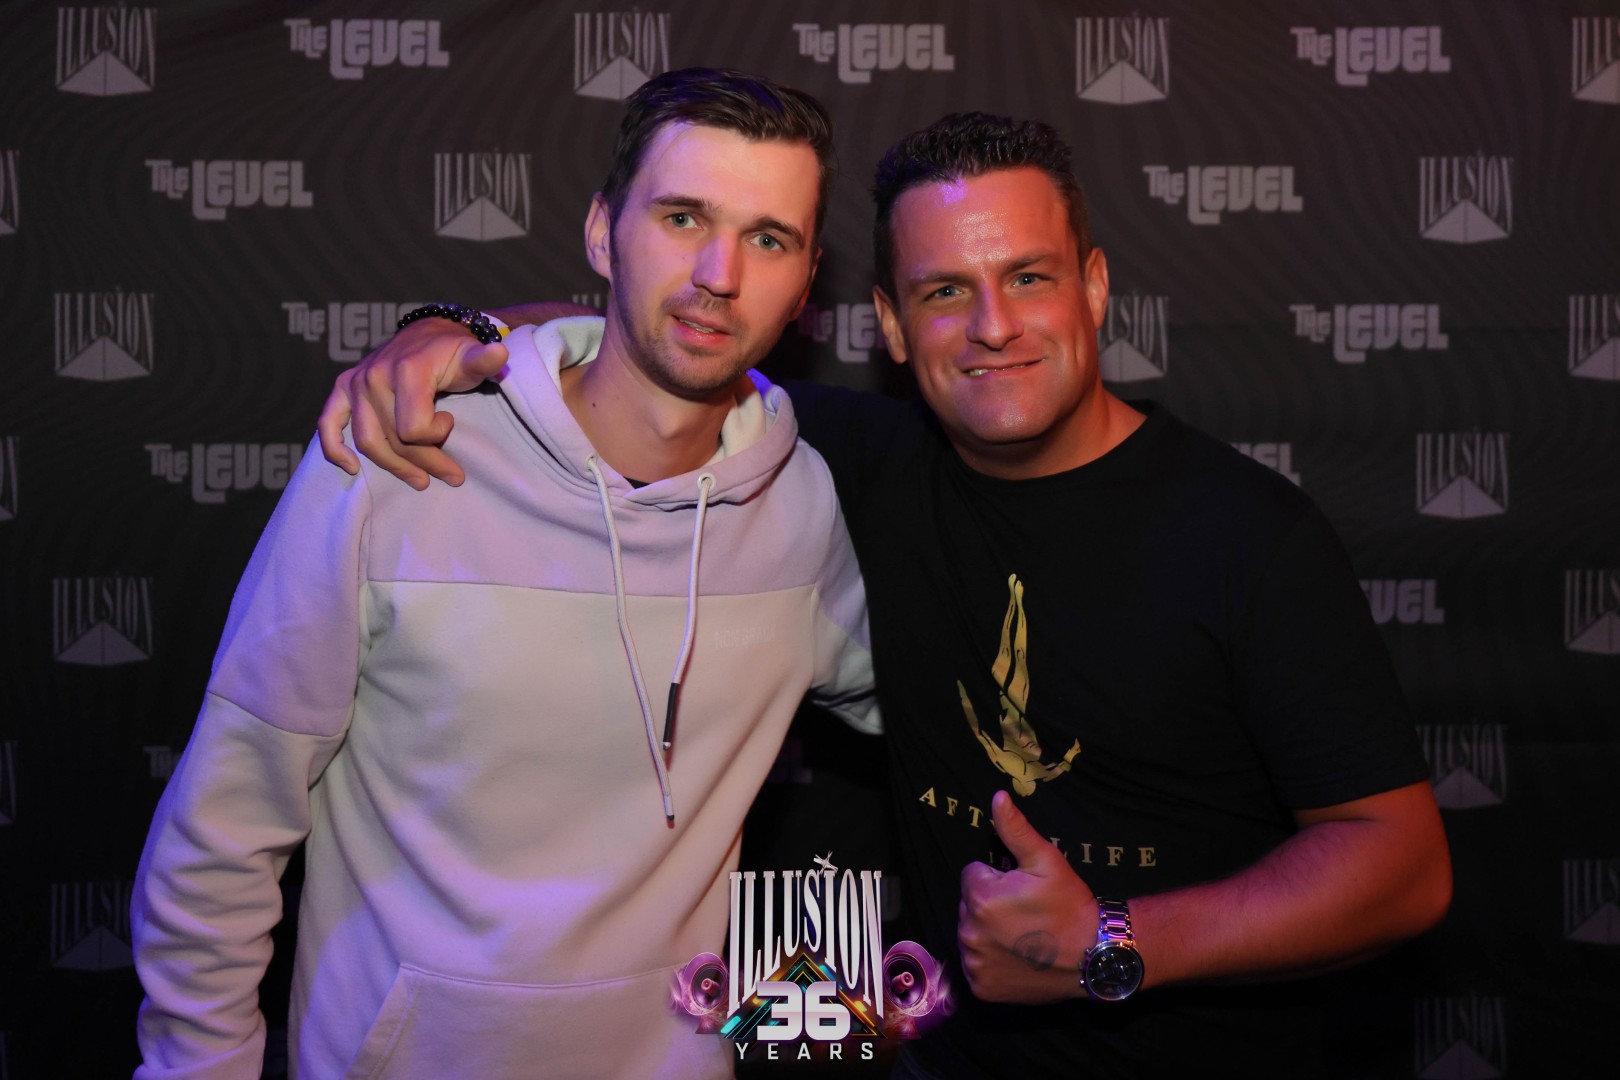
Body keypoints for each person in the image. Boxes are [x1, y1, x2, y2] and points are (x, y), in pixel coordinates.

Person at [320, 112, 1452, 1077]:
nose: (994, 324)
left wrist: (1112, 940)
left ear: (1096, 287)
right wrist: (455, 331)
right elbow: (654, 345)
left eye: (1029, 277)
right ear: (894, 327)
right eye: (945, 291)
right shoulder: (841, 465)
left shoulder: (1248, 534)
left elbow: (1404, 866)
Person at [132, 68, 879, 1080]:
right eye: (682, 217)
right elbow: (224, 824)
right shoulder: (398, 455)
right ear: (602, 233)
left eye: (770, 239)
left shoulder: (800, 505)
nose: (720, 272)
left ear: (808, 282)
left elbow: (941, 719)